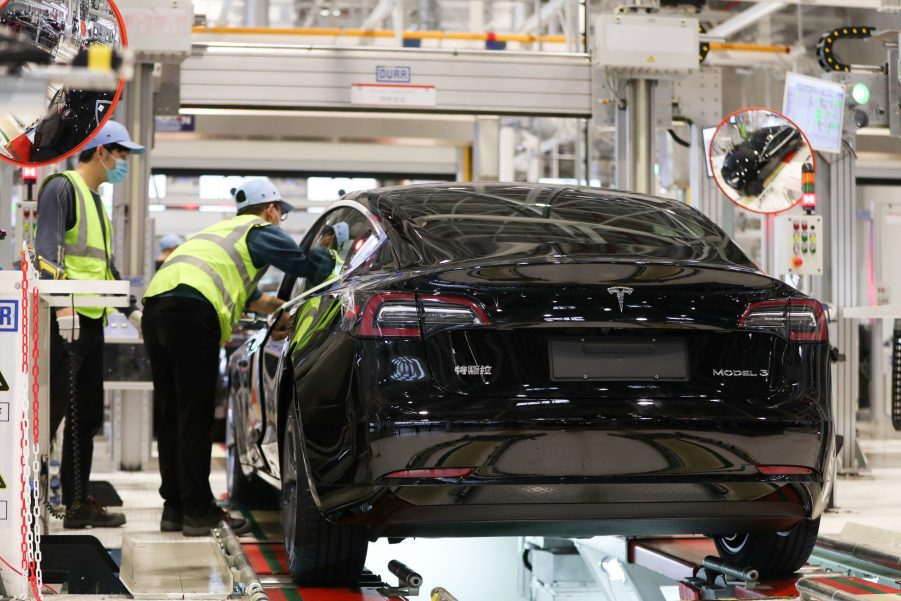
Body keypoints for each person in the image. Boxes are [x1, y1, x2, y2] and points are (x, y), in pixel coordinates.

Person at [141, 178, 334, 536]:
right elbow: (308, 265)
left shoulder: (219, 233)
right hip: (191, 313)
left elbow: (252, 298)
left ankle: (176, 508)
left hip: (156, 310)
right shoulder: (259, 228)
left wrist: (276, 310)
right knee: (195, 415)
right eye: (280, 214)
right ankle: (199, 512)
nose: (279, 220)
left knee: (171, 416)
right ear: (271, 209)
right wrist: (330, 250)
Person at [34, 119, 144, 529]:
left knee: (88, 417)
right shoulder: (62, 188)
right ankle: (31, 505)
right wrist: (63, 311)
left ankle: (78, 505)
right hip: (65, 323)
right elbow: (48, 255)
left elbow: (103, 267)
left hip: (92, 322)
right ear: (101, 151)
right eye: (121, 155)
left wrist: (132, 313)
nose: (122, 164)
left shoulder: (96, 202)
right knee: (52, 416)